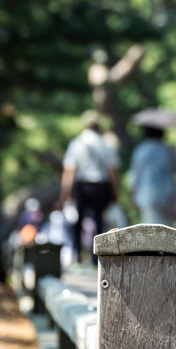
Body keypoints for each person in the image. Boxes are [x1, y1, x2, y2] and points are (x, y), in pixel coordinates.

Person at [60, 111, 120, 261]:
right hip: (101, 185)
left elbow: (70, 170)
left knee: (78, 221)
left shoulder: (76, 143)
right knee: (99, 221)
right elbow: (113, 170)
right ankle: (96, 257)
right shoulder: (105, 144)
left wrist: (65, 192)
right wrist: (115, 191)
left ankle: (77, 254)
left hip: (82, 185)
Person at [128, 125, 176, 226]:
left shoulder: (141, 149)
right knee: (167, 228)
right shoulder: (169, 149)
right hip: (167, 193)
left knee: (150, 227)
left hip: (147, 194)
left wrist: (133, 195)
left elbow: (135, 175)